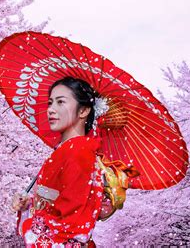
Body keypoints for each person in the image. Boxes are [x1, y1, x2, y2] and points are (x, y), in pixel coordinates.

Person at [10, 76, 115, 247]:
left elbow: (71, 223)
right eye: (50, 103)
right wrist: (29, 204)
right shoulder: (68, 151)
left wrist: (32, 223)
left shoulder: (78, 152)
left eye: (60, 102)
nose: (51, 109)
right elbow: (55, 202)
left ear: (84, 111)